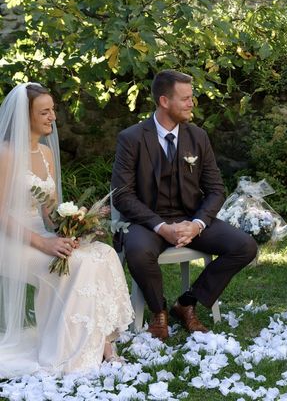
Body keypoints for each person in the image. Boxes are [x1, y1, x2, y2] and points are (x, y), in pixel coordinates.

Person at [111, 69, 257, 340]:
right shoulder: (131, 138)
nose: (192, 103)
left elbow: (215, 189)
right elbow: (122, 195)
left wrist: (197, 223)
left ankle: (187, 303)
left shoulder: (198, 137)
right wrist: (160, 226)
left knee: (244, 246)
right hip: (147, 220)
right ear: (164, 101)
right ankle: (159, 312)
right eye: (185, 98)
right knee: (138, 252)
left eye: (192, 97)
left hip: (190, 216)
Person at [0, 83, 133, 378]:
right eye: (44, 112)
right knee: (77, 265)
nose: (53, 118)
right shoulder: (5, 154)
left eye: (53, 110)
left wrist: (77, 225)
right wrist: (44, 244)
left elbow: (51, 212)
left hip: (41, 234)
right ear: (25, 117)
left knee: (102, 253)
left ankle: (103, 342)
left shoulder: (46, 153)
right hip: (11, 239)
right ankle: (69, 349)